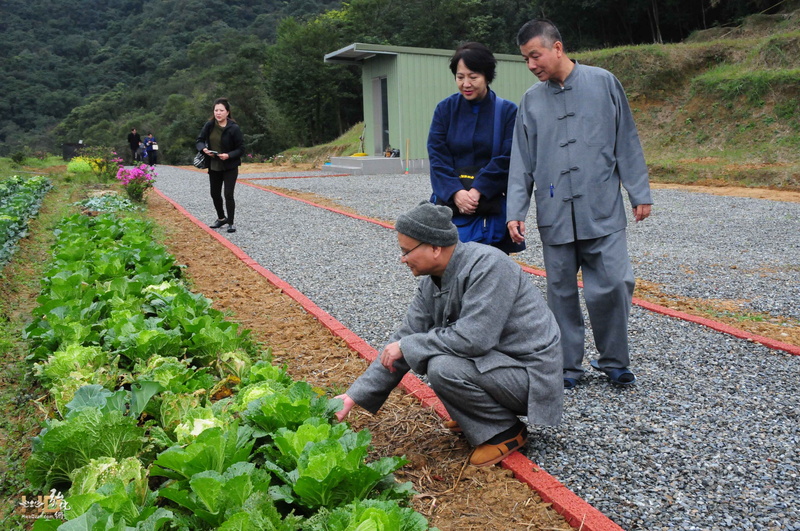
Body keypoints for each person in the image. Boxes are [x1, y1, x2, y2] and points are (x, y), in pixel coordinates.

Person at [335, 201, 563, 467]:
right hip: (497, 366)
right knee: (428, 353)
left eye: (406, 251)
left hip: (529, 376)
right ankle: (475, 415)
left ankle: (505, 432)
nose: (402, 259)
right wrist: (352, 397)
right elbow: (404, 337)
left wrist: (409, 345)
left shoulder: (490, 265)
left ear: (435, 247)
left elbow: (474, 338)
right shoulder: (431, 283)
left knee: (442, 366)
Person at [506, 19, 653, 390]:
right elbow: (521, 161)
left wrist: (639, 192)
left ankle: (615, 361)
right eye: (525, 59)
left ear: (557, 48)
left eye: (534, 56)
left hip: (602, 208)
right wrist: (515, 211)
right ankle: (568, 366)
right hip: (555, 213)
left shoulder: (603, 82)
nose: (531, 65)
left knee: (616, 283)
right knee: (560, 294)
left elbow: (626, 139)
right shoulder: (530, 101)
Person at [428, 42, 524, 255]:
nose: (466, 84)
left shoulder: (507, 111)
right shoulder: (445, 109)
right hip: (452, 207)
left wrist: (478, 189)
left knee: (491, 271)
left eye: (473, 77)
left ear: (487, 76)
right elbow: (437, 156)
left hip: (490, 208)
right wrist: (456, 192)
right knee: (450, 270)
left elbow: (507, 157)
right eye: (460, 77)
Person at [196, 97, 244, 234]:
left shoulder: (234, 128)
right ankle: (221, 218)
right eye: (216, 110)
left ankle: (231, 223)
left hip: (230, 166)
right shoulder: (209, 125)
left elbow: (241, 149)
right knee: (214, 193)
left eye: (221, 110)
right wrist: (204, 150)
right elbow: (199, 141)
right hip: (214, 165)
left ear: (227, 112)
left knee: (228, 194)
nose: (218, 113)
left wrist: (228, 155)